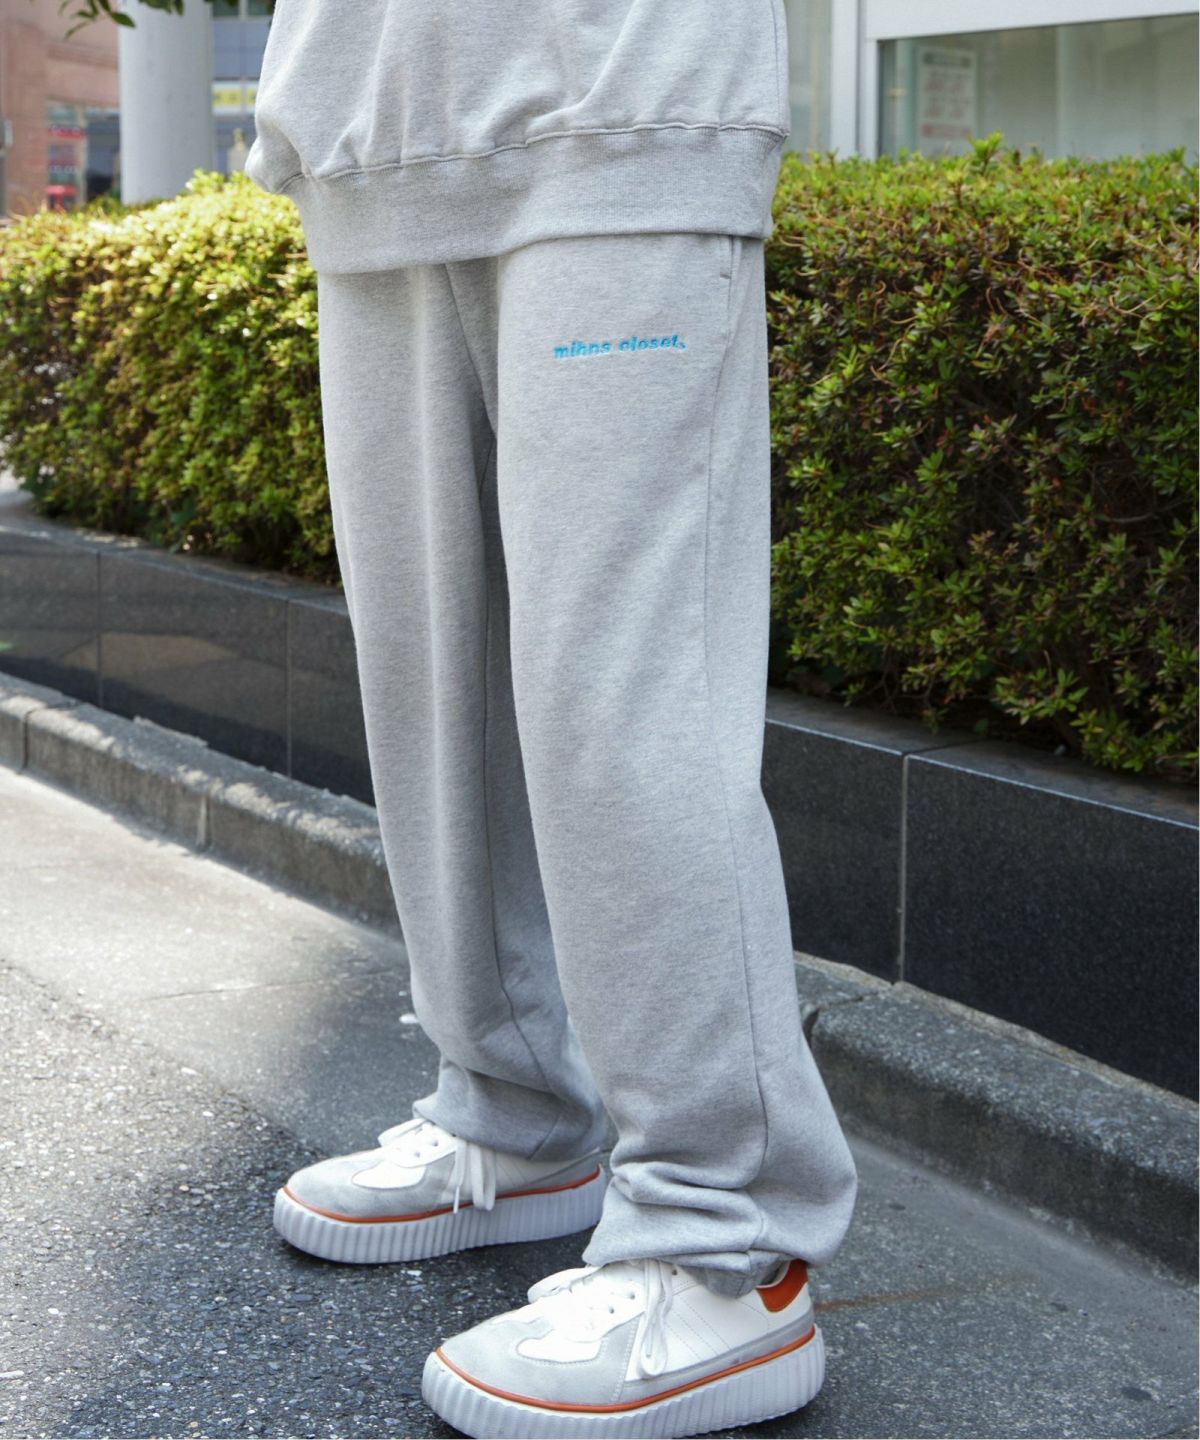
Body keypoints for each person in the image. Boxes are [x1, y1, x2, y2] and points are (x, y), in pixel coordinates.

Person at [245, 3, 858, 1434]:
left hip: (620, 94)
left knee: (619, 696)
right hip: (373, 121)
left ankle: (724, 1240)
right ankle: (514, 1114)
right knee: (433, 679)